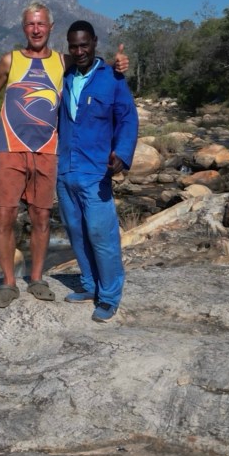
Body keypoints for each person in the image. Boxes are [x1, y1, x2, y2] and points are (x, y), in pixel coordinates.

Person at [0, 1, 126, 308]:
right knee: (4, 216)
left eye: (41, 24)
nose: (36, 30)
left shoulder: (63, 62)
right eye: (30, 25)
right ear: (24, 28)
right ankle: (8, 283)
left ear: (50, 28)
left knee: (42, 217)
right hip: (9, 149)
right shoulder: (10, 60)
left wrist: (119, 65)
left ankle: (36, 278)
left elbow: (92, 64)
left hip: (48, 152)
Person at [56, 20, 138, 322]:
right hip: (65, 169)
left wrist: (123, 154)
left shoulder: (112, 78)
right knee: (76, 232)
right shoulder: (63, 75)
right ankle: (90, 286)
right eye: (74, 46)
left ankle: (109, 296)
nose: (79, 51)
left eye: (84, 44)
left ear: (94, 43)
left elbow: (128, 119)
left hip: (95, 171)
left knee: (101, 234)